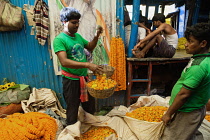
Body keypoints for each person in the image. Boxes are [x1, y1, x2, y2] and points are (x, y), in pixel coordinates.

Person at [53, 7, 103, 125]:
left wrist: (96, 35)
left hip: (84, 79)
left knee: (90, 107)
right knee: (72, 109)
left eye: (78, 22)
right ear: (64, 22)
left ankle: (90, 130)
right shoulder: (59, 40)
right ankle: (72, 132)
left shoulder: (78, 37)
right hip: (71, 81)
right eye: (73, 23)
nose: (77, 25)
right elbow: (64, 61)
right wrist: (87, 64)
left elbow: (90, 47)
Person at [161, 23, 210, 140]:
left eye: (191, 41)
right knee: (190, 134)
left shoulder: (198, 66)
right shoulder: (203, 59)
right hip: (195, 109)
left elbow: (184, 94)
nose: (186, 44)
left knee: (173, 137)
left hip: (187, 112)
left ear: (203, 43)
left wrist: (168, 114)